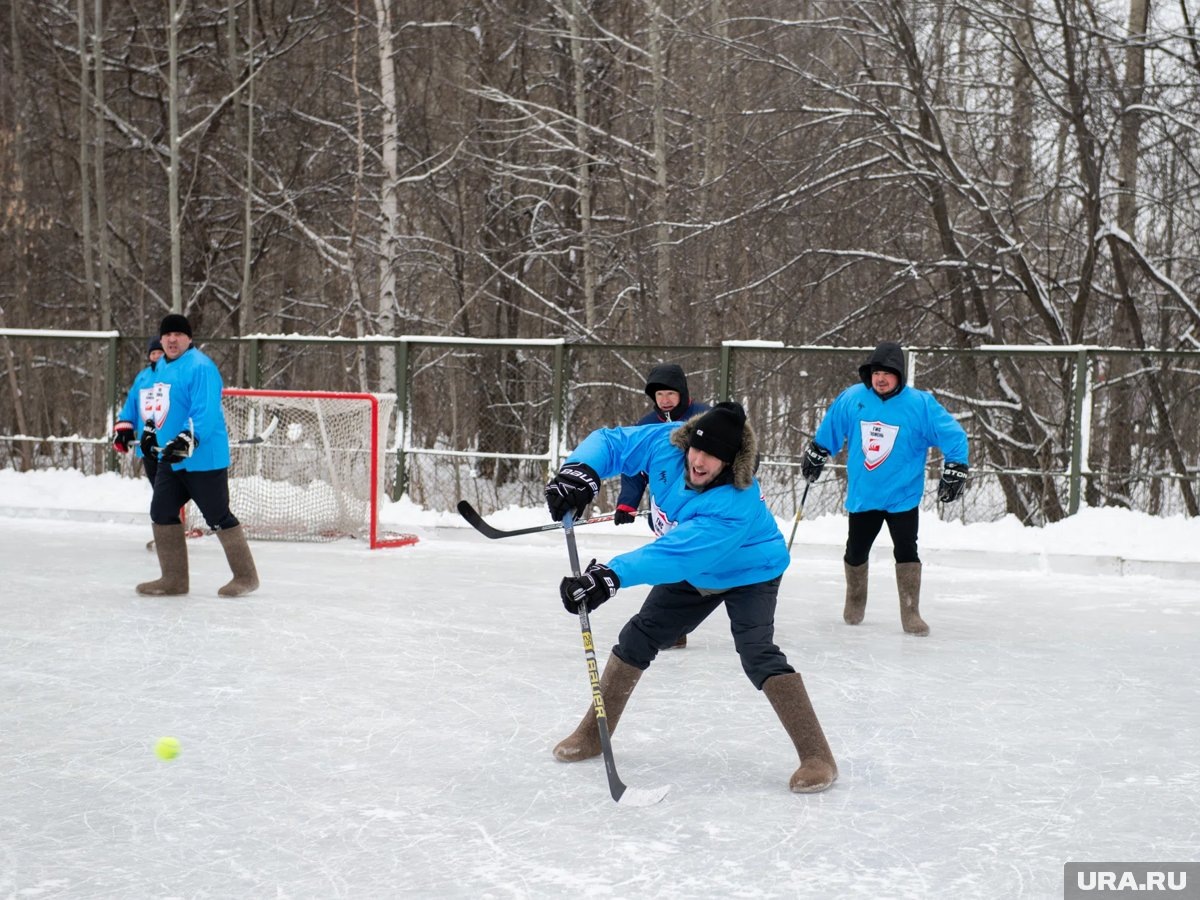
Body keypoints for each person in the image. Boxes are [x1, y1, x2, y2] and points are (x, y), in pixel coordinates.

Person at [543, 401, 837, 793]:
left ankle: (817, 756)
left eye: (713, 457)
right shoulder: (668, 444)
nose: (698, 461)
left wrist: (610, 576)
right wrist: (580, 472)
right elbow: (612, 443)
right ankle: (594, 734)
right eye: (697, 449)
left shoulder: (736, 501)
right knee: (638, 636)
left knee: (757, 652)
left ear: (731, 462)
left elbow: (677, 553)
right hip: (696, 567)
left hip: (750, 570)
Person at [801, 341, 968, 636]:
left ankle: (910, 611)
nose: (880, 378)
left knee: (906, 550)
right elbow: (831, 427)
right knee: (856, 550)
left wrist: (956, 467)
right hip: (865, 495)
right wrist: (818, 450)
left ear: (899, 375)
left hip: (903, 497)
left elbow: (953, 435)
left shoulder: (920, 404)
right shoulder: (853, 398)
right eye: (876, 372)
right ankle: (855, 598)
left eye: (887, 373)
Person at [136, 313, 259, 598]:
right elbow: (162, 408)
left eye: (178, 334)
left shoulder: (201, 367)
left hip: (203, 459)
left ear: (189, 338)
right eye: (167, 335)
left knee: (217, 516)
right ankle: (173, 580)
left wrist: (189, 437)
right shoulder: (163, 368)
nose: (171, 339)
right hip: (172, 459)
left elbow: (205, 412)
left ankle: (246, 576)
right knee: (162, 511)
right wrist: (151, 430)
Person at [612, 362, 709, 649]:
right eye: (659, 395)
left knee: (694, 561)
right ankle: (671, 627)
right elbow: (634, 468)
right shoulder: (646, 426)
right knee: (672, 561)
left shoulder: (705, 417)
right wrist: (627, 502)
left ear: (682, 392)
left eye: (670, 393)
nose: (665, 400)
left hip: (701, 504)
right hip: (665, 509)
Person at [112, 336, 166, 488]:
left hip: (170, 443)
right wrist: (125, 430)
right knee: (158, 489)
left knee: (169, 491)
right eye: (153, 353)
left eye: (160, 352)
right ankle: (167, 512)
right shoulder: (143, 377)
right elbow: (132, 404)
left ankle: (169, 511)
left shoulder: (176, 374)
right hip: (147, 445)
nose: (156, 356)